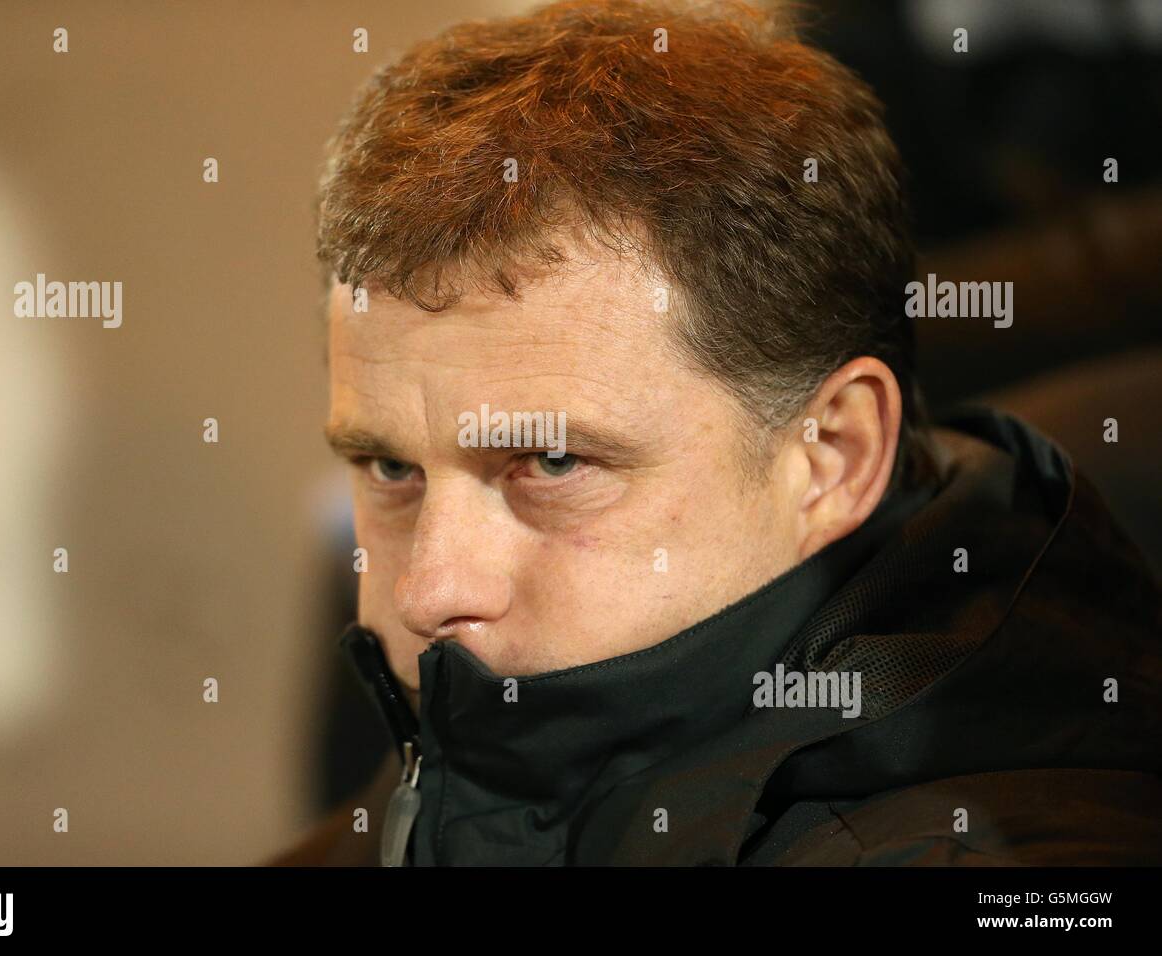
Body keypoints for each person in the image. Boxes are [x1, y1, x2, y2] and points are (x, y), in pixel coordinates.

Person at [274, 0, 1162, 866]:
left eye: (550, 461)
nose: (425, 591)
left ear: (833, 458)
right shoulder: (481, 749)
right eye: (389, 464)